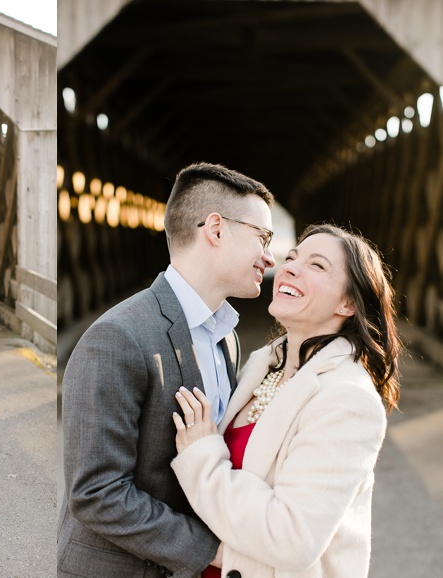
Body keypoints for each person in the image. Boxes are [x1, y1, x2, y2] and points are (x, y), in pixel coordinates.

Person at [59, 162, 276, 577]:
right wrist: (214, 552)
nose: (269, 256)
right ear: (215, 229)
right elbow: (95, 493)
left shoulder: (225, 336)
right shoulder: (118, 338)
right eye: (262, 237)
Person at [171, 223, 401, 578]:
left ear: (348, 302)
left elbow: (293, 539)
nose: (289, 267)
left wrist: (201, 458)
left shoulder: (347, 399)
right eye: (291, 257)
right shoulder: (261, 367)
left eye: (317, 265)